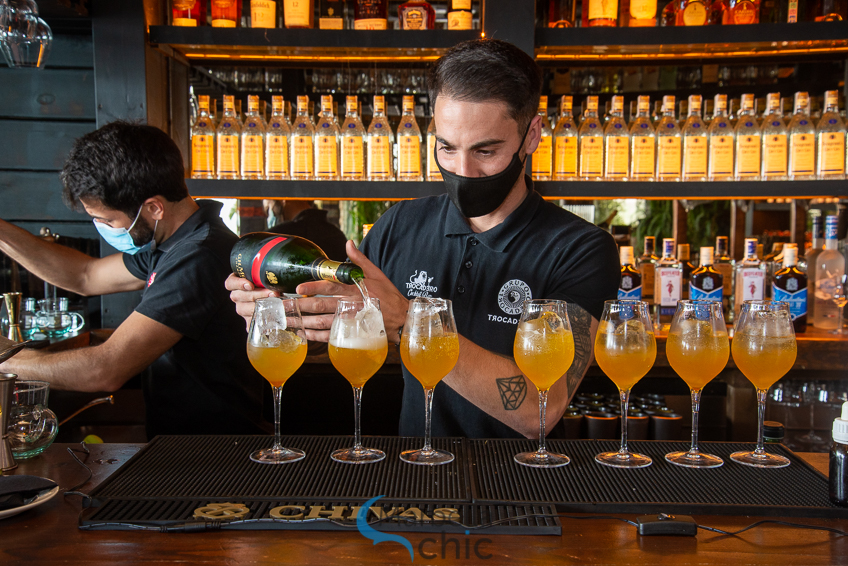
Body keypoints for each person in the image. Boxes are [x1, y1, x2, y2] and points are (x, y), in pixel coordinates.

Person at [227, 39, 620, 439]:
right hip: (417, 480)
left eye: (486, 151)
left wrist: (410, 321)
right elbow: (341, 326)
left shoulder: (581, 249)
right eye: (447, 148)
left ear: (531, 136)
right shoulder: (402, 224)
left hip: (520, 486)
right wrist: (280, 315)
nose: (462, 169)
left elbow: (542, 408)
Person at [0, 122, 269, 438]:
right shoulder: (173, 243)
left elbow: (105, 369)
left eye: (108, 219)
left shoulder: (198, 256)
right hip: (188, 444)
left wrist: (7, 361)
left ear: (154, 207)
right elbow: (85, 276)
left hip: (214, 452)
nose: (101, 226)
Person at [263, 199, 348, 262]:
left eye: (268, 208)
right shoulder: (336, 234)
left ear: (283, 200)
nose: (270, 213)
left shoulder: (280, 235)